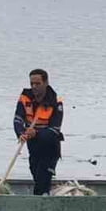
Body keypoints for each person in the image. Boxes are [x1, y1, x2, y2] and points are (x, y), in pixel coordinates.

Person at [13, 68, 64, 196]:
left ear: (46, 83)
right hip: (33, 145)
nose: (34, 87)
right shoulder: (25, 98)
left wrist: (36, 133)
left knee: (43, 177)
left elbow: (54, 129)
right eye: (32, 84)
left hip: (50, 147)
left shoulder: (56, 102)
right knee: (35, 171)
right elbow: (18, 119)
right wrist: (21, 133)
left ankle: (41, 200)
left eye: (37, 84)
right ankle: (43, 197)